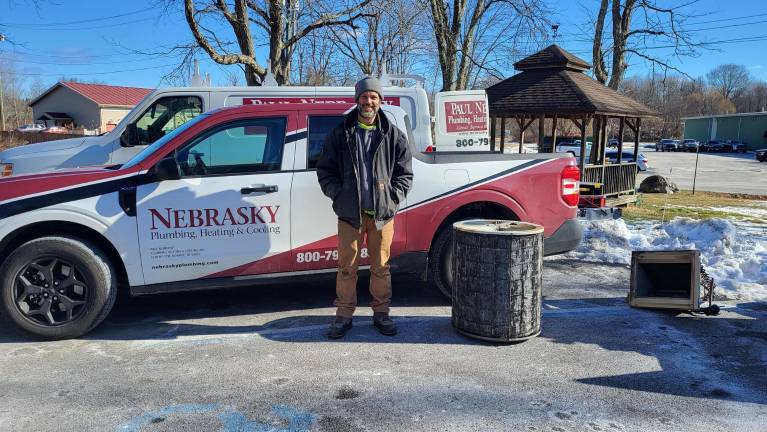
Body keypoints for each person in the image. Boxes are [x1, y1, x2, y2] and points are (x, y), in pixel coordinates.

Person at [316, 77, 413, 339]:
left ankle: (381, 314)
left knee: (380, 267)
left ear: (381, 101)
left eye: (373, 96)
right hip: (350, 215)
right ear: (356, 99)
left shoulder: (394, 135)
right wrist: (339, 195)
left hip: (382, 215)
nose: (368, 101)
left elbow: (405, 175)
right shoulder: (341, 132)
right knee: (347, 268)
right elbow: (325, 171)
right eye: (364, 96)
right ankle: (343, 316)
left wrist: (392, 197)